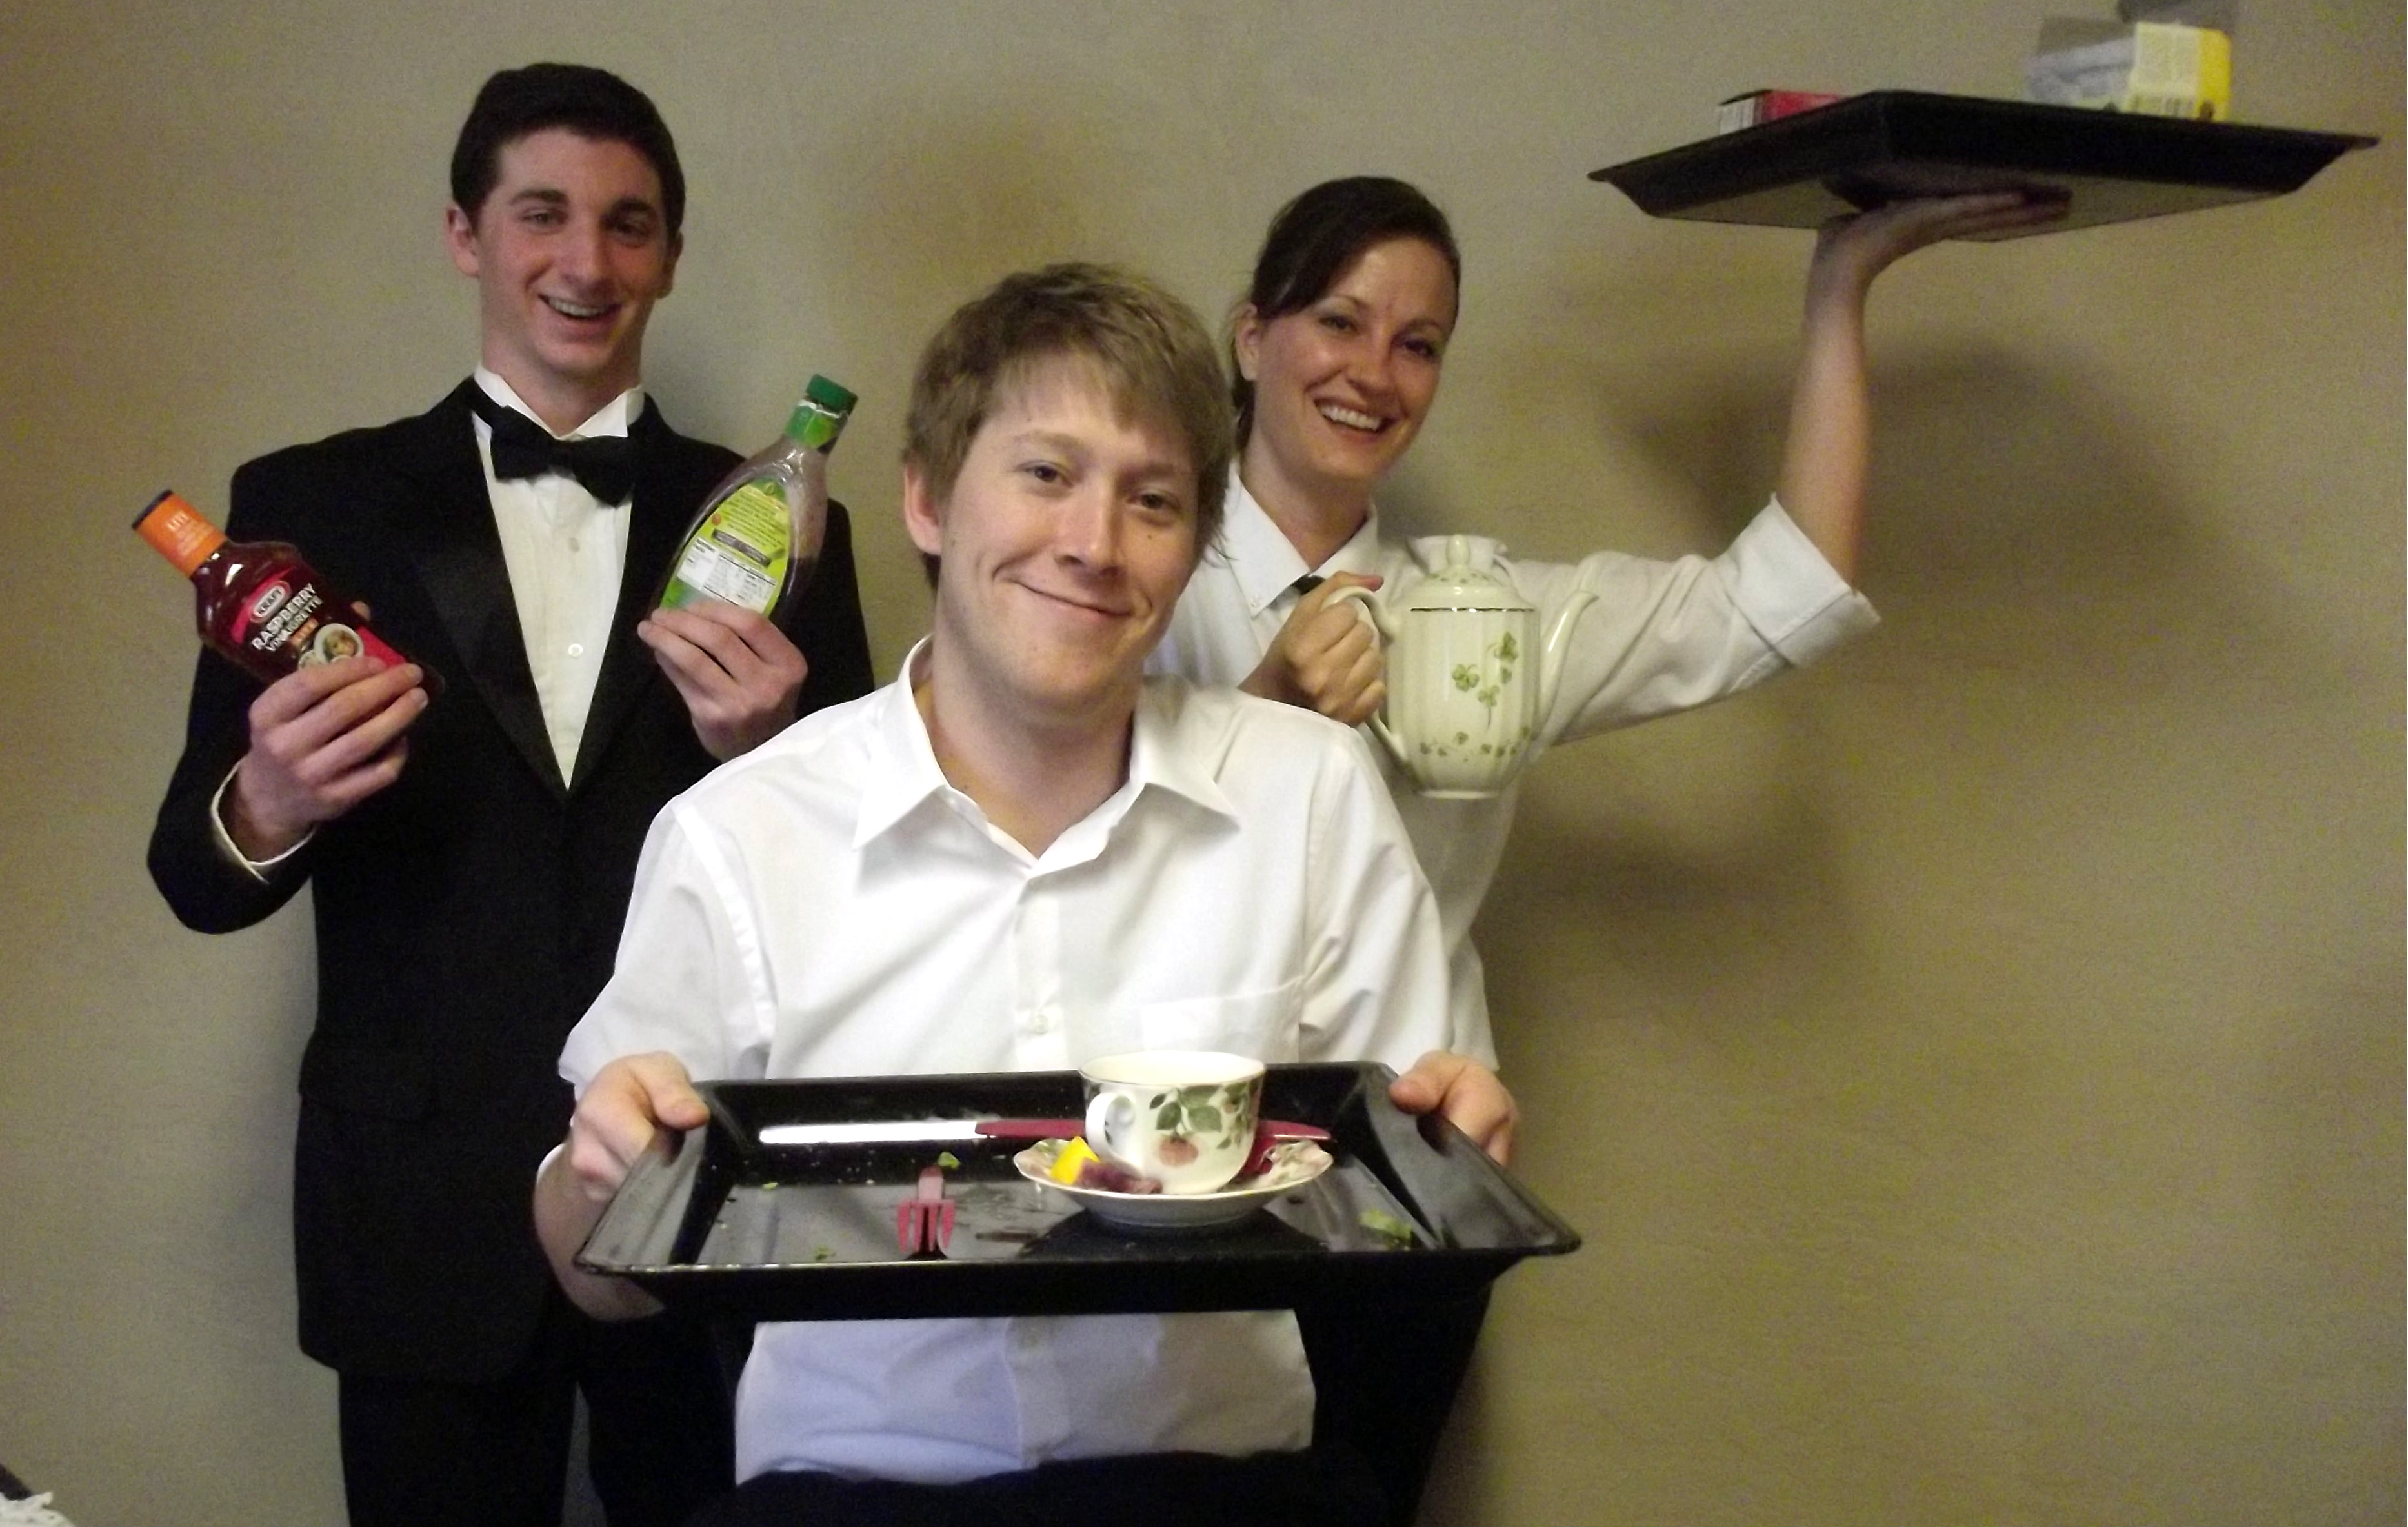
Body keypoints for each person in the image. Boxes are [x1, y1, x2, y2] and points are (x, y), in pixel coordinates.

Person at [533, 261, 1513, 1527]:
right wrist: (600, 1185)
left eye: (1152, 500)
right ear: (928, 498)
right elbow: (596, 1275)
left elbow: (1411, 1196)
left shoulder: (1310, 795)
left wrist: (1454, 1156)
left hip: (1221, 1492)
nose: (1094, 544)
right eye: (1047, 473)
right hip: (847, 1498)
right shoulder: (740, 830)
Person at [146, 63, 877, 1527]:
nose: (586, 261)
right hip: (417, 1197)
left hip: (696, 1181)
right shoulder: (307, 504)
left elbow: (870, 894)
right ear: (464, 234)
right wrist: (274, 795)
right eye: (542, 213)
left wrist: (773, 757)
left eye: (628, 223)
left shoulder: (791, 523)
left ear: (671, 254)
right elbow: (193, 872)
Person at [1153, 175, 2066, 1057]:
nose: (1374, 374)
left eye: (1418, 345)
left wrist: (1841, 283)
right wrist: (1264, 711)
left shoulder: (1487, 621)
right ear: (1253, 340)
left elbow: (1781, 588)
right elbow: (1091, 854)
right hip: (1169, 1112)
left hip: (1413, 1126)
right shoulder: (1127, 584)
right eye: (1340, 322)